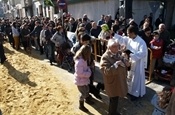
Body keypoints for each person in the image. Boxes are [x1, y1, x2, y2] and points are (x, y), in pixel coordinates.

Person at [114, 26, 148, 101]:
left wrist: (130, 55)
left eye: (128, 33)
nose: (127, 35)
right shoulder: (129, 39)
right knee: (129, 77)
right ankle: (129, 91)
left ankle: (135, 94)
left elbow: (143, 53)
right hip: (129, 62)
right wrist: (113, 34)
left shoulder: (141, 42)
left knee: (135, 79)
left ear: (133, 33)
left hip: (137, 63)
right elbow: (122, 39)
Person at [100, 39, 128, 115]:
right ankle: (112, 113)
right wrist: (115, 65)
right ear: (108, 47)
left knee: (115, 98)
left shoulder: (118, 53)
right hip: (112, 82)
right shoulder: (105, 57)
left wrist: (124, 59)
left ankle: (113, 111)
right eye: (114, 46)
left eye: (117, 46)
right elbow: (106, 71)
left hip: (118, 80)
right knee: (113, 99)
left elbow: (123, 61)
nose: (116, 48)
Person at [74, 45, 93, 113]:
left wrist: (88, 69)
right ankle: (81, 105)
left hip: (84, 80)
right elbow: (80, 73)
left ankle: (86, 100)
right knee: (83, 93)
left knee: (87, 90)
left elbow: (86, 68)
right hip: (80, 81)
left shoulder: (84, 60)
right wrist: (88, 73)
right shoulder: (79, 62)